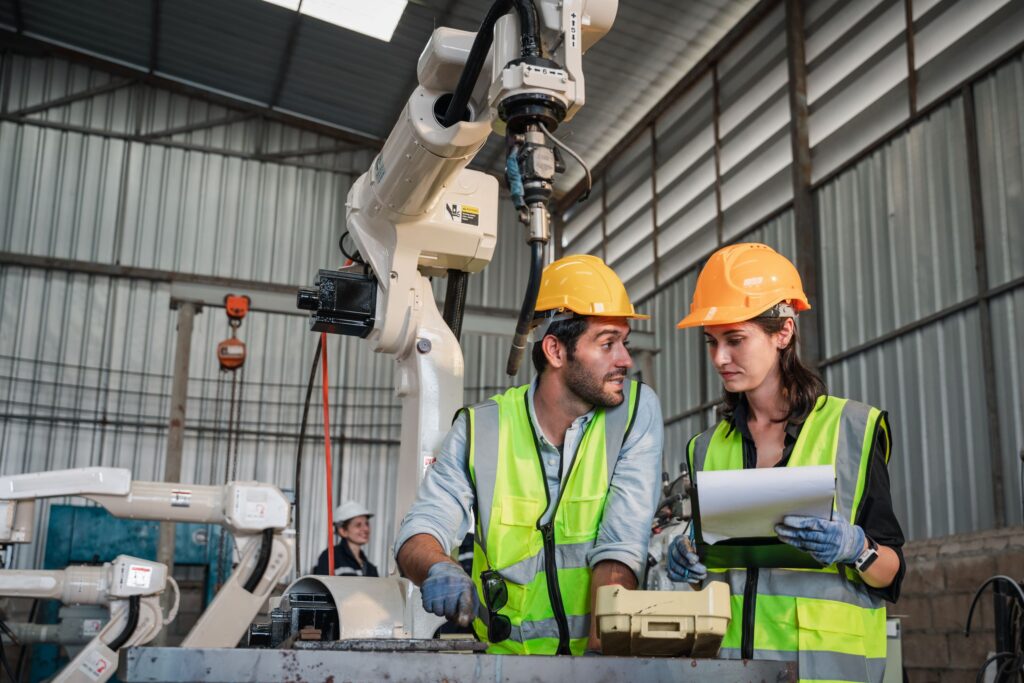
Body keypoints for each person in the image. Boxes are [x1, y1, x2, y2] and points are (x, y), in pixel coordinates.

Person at [394, 254, 664, 655]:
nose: (625, 359)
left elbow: (620, 546)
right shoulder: (481, 429)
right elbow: (422, 528)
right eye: (607, 343)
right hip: (503, 667)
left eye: (624, 342)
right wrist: (439, 566)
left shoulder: (634, 414)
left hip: (595, 664)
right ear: (555, 350)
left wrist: (600, 663)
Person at [668, 243, 904, 683]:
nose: (720, 358)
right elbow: (716, 581)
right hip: (730, 673)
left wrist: (858, 549)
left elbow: (892, 572)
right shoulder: (704, 448)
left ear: (783, 333)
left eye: (735, 339)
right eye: (712, 342)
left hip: (827, 673)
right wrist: (688, 560)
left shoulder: (852, 429)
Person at [313, 501, 379, 577]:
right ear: (343, 531)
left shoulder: (370, 568)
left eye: (367, 524)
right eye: (358, 525)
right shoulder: (330, 557)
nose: (366, 529)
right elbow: (321, 587)